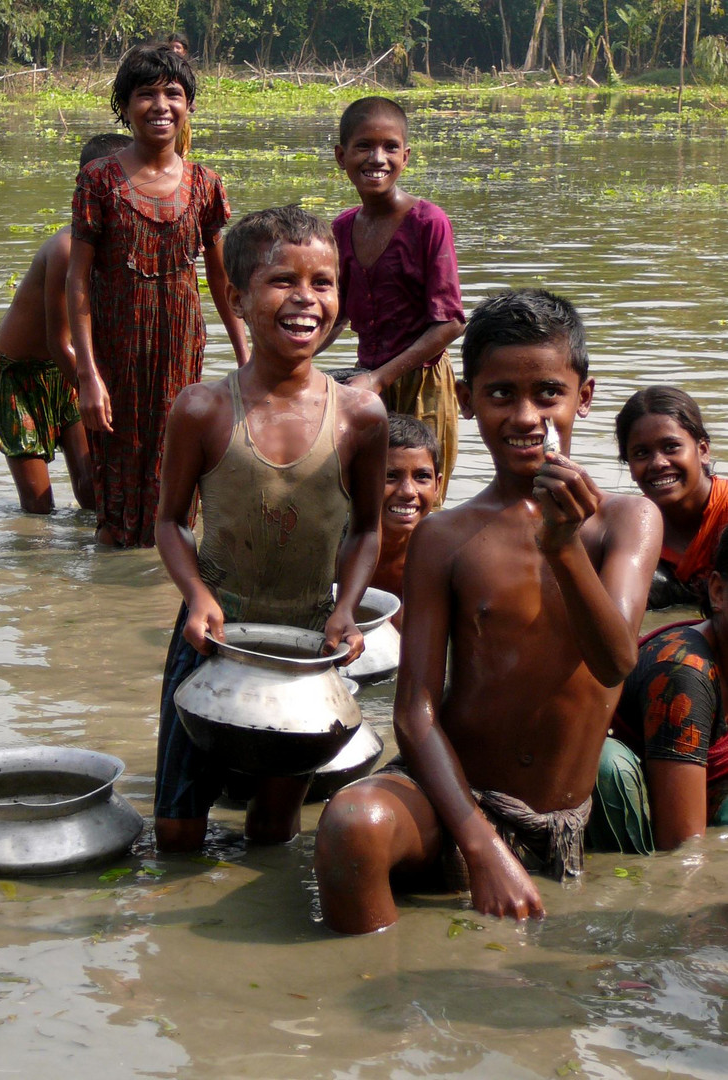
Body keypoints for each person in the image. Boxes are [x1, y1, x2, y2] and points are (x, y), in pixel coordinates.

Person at [314, 288, 662, 934]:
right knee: (349, 827)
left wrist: (561, 548)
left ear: (582, 397)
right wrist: (477, 842)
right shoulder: (443, 536)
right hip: (453, 800)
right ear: (466, 402)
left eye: (547, 393)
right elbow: (414, 711)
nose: (525, 415)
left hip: (554, 816)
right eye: (500, 394)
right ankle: (371, 1016)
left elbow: (614, 660)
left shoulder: (624, 520)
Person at [154, 205, 388, 853]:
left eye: (323, 282)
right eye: (282, 280)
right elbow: (171, 521)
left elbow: (367, 528)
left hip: (308, 644)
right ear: (236, 297)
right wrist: (197, 597)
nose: (306, 299)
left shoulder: (360, 417)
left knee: (273, 829)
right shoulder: (201, 410)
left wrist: (346, 609)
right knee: (176, 827)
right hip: (211, 634)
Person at [67, 44, 249, 548]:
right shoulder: (98, 179)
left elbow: (221, 281)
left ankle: (161, 587)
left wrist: (245, 356)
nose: (161, 105)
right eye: (146, 94)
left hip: (180, 347)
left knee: (177, 466)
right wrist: (88, 375)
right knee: (115, 480)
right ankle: (110, 589)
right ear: (124, 107)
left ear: (189, 105)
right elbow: (78, 280)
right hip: (115, 352)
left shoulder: (205, 184)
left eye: (173, 93)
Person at [326, 96, 464, 504]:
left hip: (423, 382)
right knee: (365, 498)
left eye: (389, 147)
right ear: (341, 156)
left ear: (406, 156)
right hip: (367, 381)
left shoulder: (428, 222)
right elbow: (339, 312)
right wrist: (291, 360)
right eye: (364, 147)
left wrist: (380, 377)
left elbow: (451, 322)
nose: (377, 158)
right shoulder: (344, 227)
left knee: (416, 499)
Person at [0, 133, 132, 515]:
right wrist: (95, 392)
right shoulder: (67, 248)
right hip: (22, 373)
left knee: (90, 493)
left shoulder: (119, 244)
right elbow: (57, 341)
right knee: (38, 508)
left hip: (69, 367)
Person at [589, 526, 728, 854]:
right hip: (626, 810)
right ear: (719, 592)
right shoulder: (684, 672)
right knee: (609, 766)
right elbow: (683, 851)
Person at [616, 386, 728, 609]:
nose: (658, 463)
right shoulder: (630, 528)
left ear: (703, 450)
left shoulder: (724, 510)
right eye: (641, 454)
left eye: (671, 447)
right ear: (629, 466)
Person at [369, 413, 441, 631]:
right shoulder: (333, 552)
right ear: (359, 481)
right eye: (390, 476)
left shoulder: (445, 556)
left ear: (437, 486)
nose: (408, 491)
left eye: (422, 477)